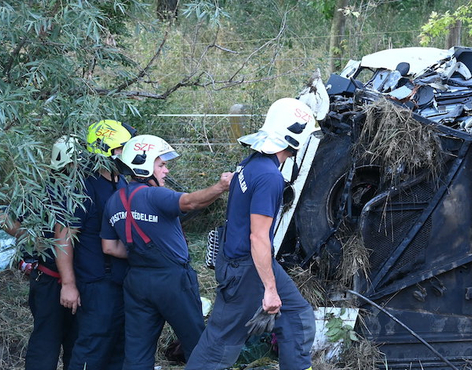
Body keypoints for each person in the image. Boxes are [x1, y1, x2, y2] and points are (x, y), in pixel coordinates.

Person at [185, 98, 318, 370]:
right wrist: (270, 290)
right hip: (246, 269)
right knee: (220, 344)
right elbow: (258, 237)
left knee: (297, 316)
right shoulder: (270, 177)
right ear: (296, 137)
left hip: (242, 260)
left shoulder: (251, 163)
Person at [100, 134, 232, 370]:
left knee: (137, 353)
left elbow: (109, 247)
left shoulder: (113, 200)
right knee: (197, 346)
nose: (166, 171)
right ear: (143, 165)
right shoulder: (155, 195)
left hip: (137, 280)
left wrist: (142, 255)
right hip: (172, 280)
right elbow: (191, 203)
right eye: (161, 165)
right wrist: (221, 187)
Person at [61, 119, 136, 370]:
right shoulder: (83, 186)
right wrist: (69, 284)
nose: (127, 153)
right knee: (93, 347)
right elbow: (63, 236)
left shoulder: (121, 182)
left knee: (118, 347)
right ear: (106, 150)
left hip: (121, 281)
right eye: (121, 148)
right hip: (96, 283)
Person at [1, 136, 79, 370]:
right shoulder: (50, 191)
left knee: (64, 340)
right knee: (48, 342)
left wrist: (35, 240)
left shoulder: (45, 188)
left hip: (58, 280)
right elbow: (4, 218)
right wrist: (37, 241)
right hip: (52, 279)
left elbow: (5, 218)